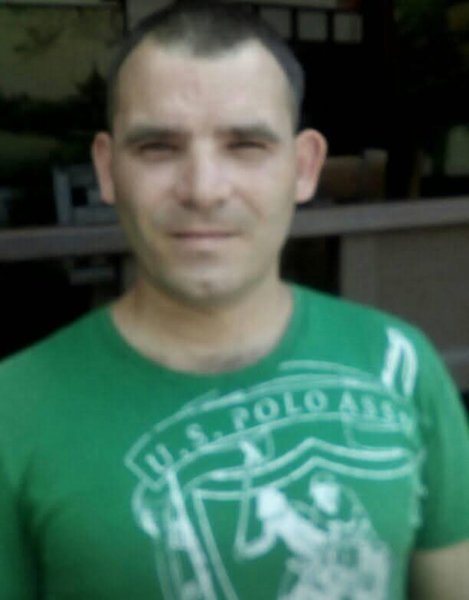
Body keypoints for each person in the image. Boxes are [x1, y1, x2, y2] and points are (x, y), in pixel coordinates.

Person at [0, 2, 468, 599]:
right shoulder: (14, 409)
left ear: (304, 168)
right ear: (108, 169)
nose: (203, 189)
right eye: (158, 147)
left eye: (245, 145)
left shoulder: (400, 364)